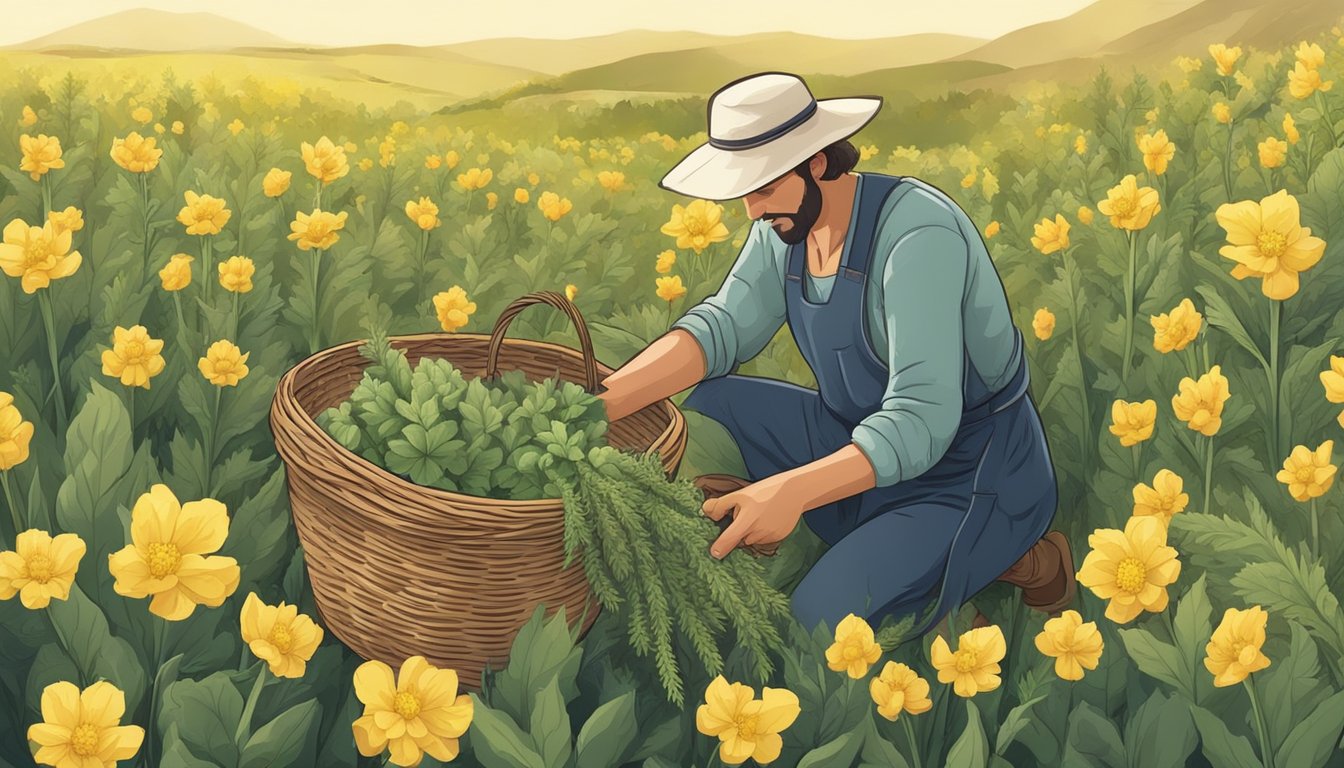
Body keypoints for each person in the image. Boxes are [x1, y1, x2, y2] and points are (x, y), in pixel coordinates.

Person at [595, 71, 1074, 639]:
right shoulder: (788, 223)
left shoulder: (919, 236)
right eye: (744, 190)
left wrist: (792, 490)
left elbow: (922, 421)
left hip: (969, 471)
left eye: (764, 186)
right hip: (853, 438)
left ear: (816, 162)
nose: (751, 209)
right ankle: (772, 533)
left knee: (814, 623)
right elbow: (722, 327)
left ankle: (1015, 558)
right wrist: (598, 404)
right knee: (711, 406)